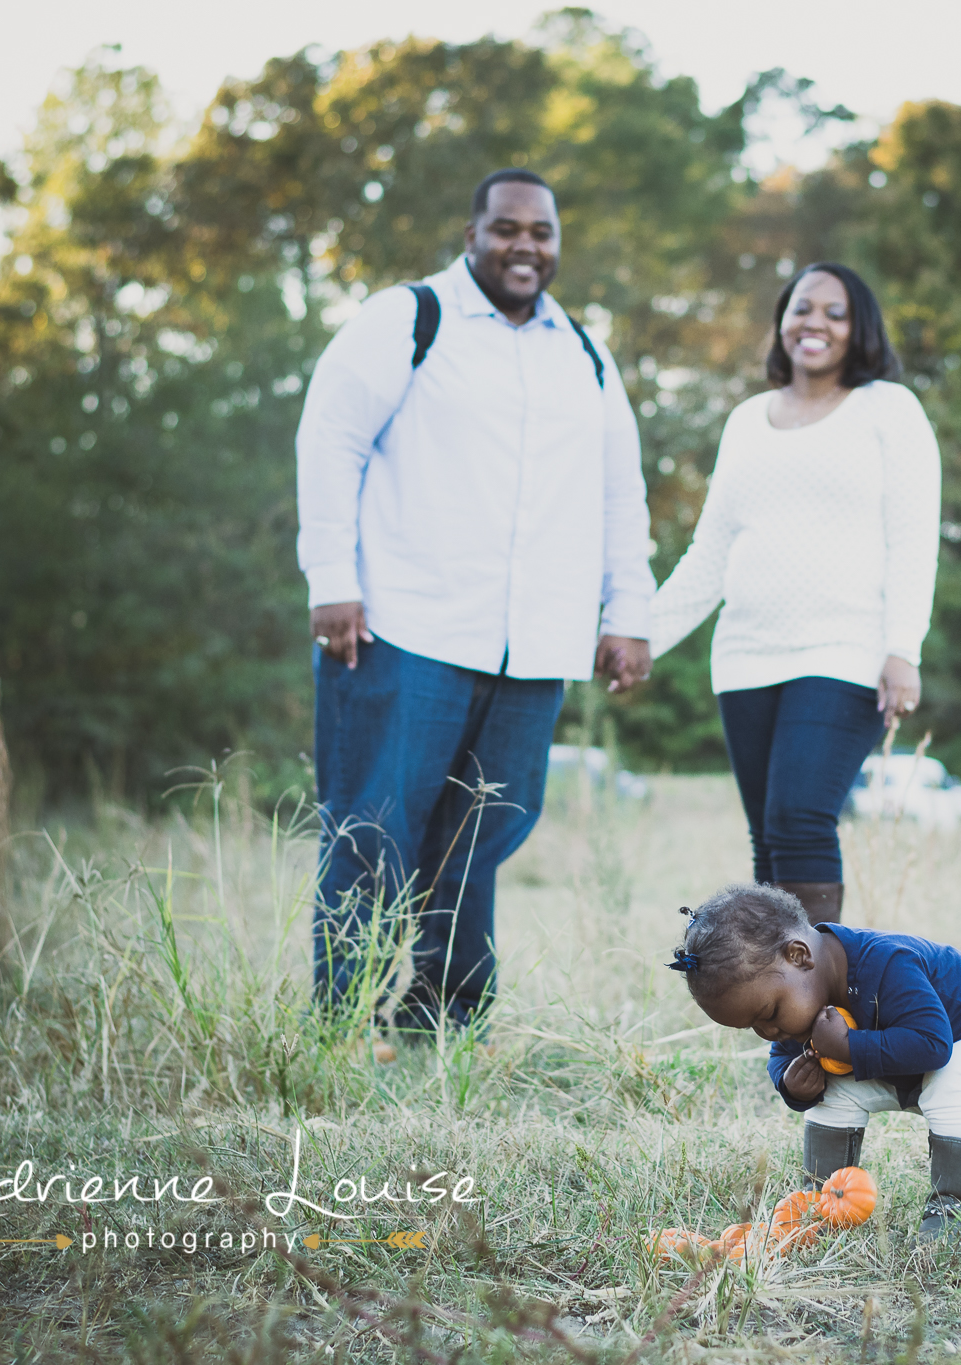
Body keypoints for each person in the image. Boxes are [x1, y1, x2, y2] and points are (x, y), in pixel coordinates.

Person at [295, 168, 653, 1036]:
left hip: (534, 649)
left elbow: (619, 492)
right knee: (373, 832)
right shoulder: (410, 318)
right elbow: (329, 438)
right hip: (405, 628)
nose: (525, 245)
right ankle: (339, 1025)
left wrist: (627, 612)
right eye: (506, 228)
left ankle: (442, 1022)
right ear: (472, 234)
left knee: (480, 840)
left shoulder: (585, 353)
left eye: (542, 231)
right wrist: (330, 580)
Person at [645, 263, 940, 924]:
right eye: (803, 307)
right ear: (782, 320)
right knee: (770, 841)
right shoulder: (748, 420)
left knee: (800, 816)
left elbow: (915, 536)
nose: (816, 322)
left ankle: (825, 1008)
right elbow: (711, 550)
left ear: (859, 327)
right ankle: (782, 1012)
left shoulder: (888, 409)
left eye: (836, 312)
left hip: (846, 650)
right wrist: (641, 639)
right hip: (747, 655)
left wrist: (903, 648)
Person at [666, 884, 961, 1241]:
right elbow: (782, 1060)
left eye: (768, 1013)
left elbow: (934, 1044)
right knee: (830, 1082)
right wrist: (791, 1084)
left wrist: (849, 1046)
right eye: (752, 1026)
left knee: (954, 1077)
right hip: (926, 1063)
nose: (768, 1032)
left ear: (798, 955)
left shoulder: (885, 963)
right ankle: (822, 1199)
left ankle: (956, 1207)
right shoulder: (796, 1004)